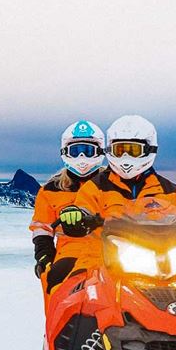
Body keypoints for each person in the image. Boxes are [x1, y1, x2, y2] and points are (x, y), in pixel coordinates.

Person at [58, 114, 176, 273]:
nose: (125, 157)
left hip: (164, 261)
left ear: (149, 149)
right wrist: (76, 216)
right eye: (120, 150)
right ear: (110, 150)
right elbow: (84, 208)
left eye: (133, 150)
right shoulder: (94, 187)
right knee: (74, 292)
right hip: (103, 261)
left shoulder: (171, 191)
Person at [29, 120, 106, 297]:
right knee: (54, 284)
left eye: (87, 151)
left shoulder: (113, 185)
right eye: (75, 151)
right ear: (65, 152)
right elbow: (42, 227)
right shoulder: (51, 189)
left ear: (99, 152)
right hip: (69, 254)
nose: (81, 157)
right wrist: (44, 255)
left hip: (111, 252)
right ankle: (58, 325)